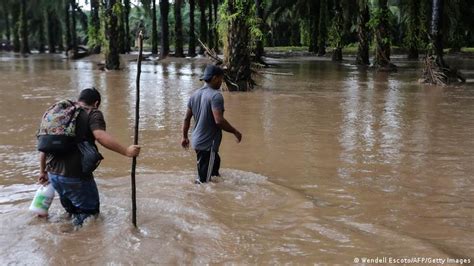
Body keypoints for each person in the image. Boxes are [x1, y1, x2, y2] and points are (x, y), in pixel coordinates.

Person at [38, 88, 141, 227]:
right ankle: (77, 245)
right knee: (90, 217)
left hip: (53, 176)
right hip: (75, 177)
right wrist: (127, 151)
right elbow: (100, 135)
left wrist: (42, 171)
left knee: (71, 213)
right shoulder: (92, 113)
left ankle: (65, 240)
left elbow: (44, 145)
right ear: (96, 103)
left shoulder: (61, 114)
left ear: (79, 99)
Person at [181, 65, 242, 184]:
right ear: (214, 78)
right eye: (221, 79)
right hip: (207, 145)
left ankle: (213, 194)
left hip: (197, 141)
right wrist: (235, 131)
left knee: (214, 170)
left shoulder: (194, 95)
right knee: (203, 182)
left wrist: (184, 137)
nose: (221, 82)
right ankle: (199, 199)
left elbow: (186, 118)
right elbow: (219, 120)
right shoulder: (215, 95)